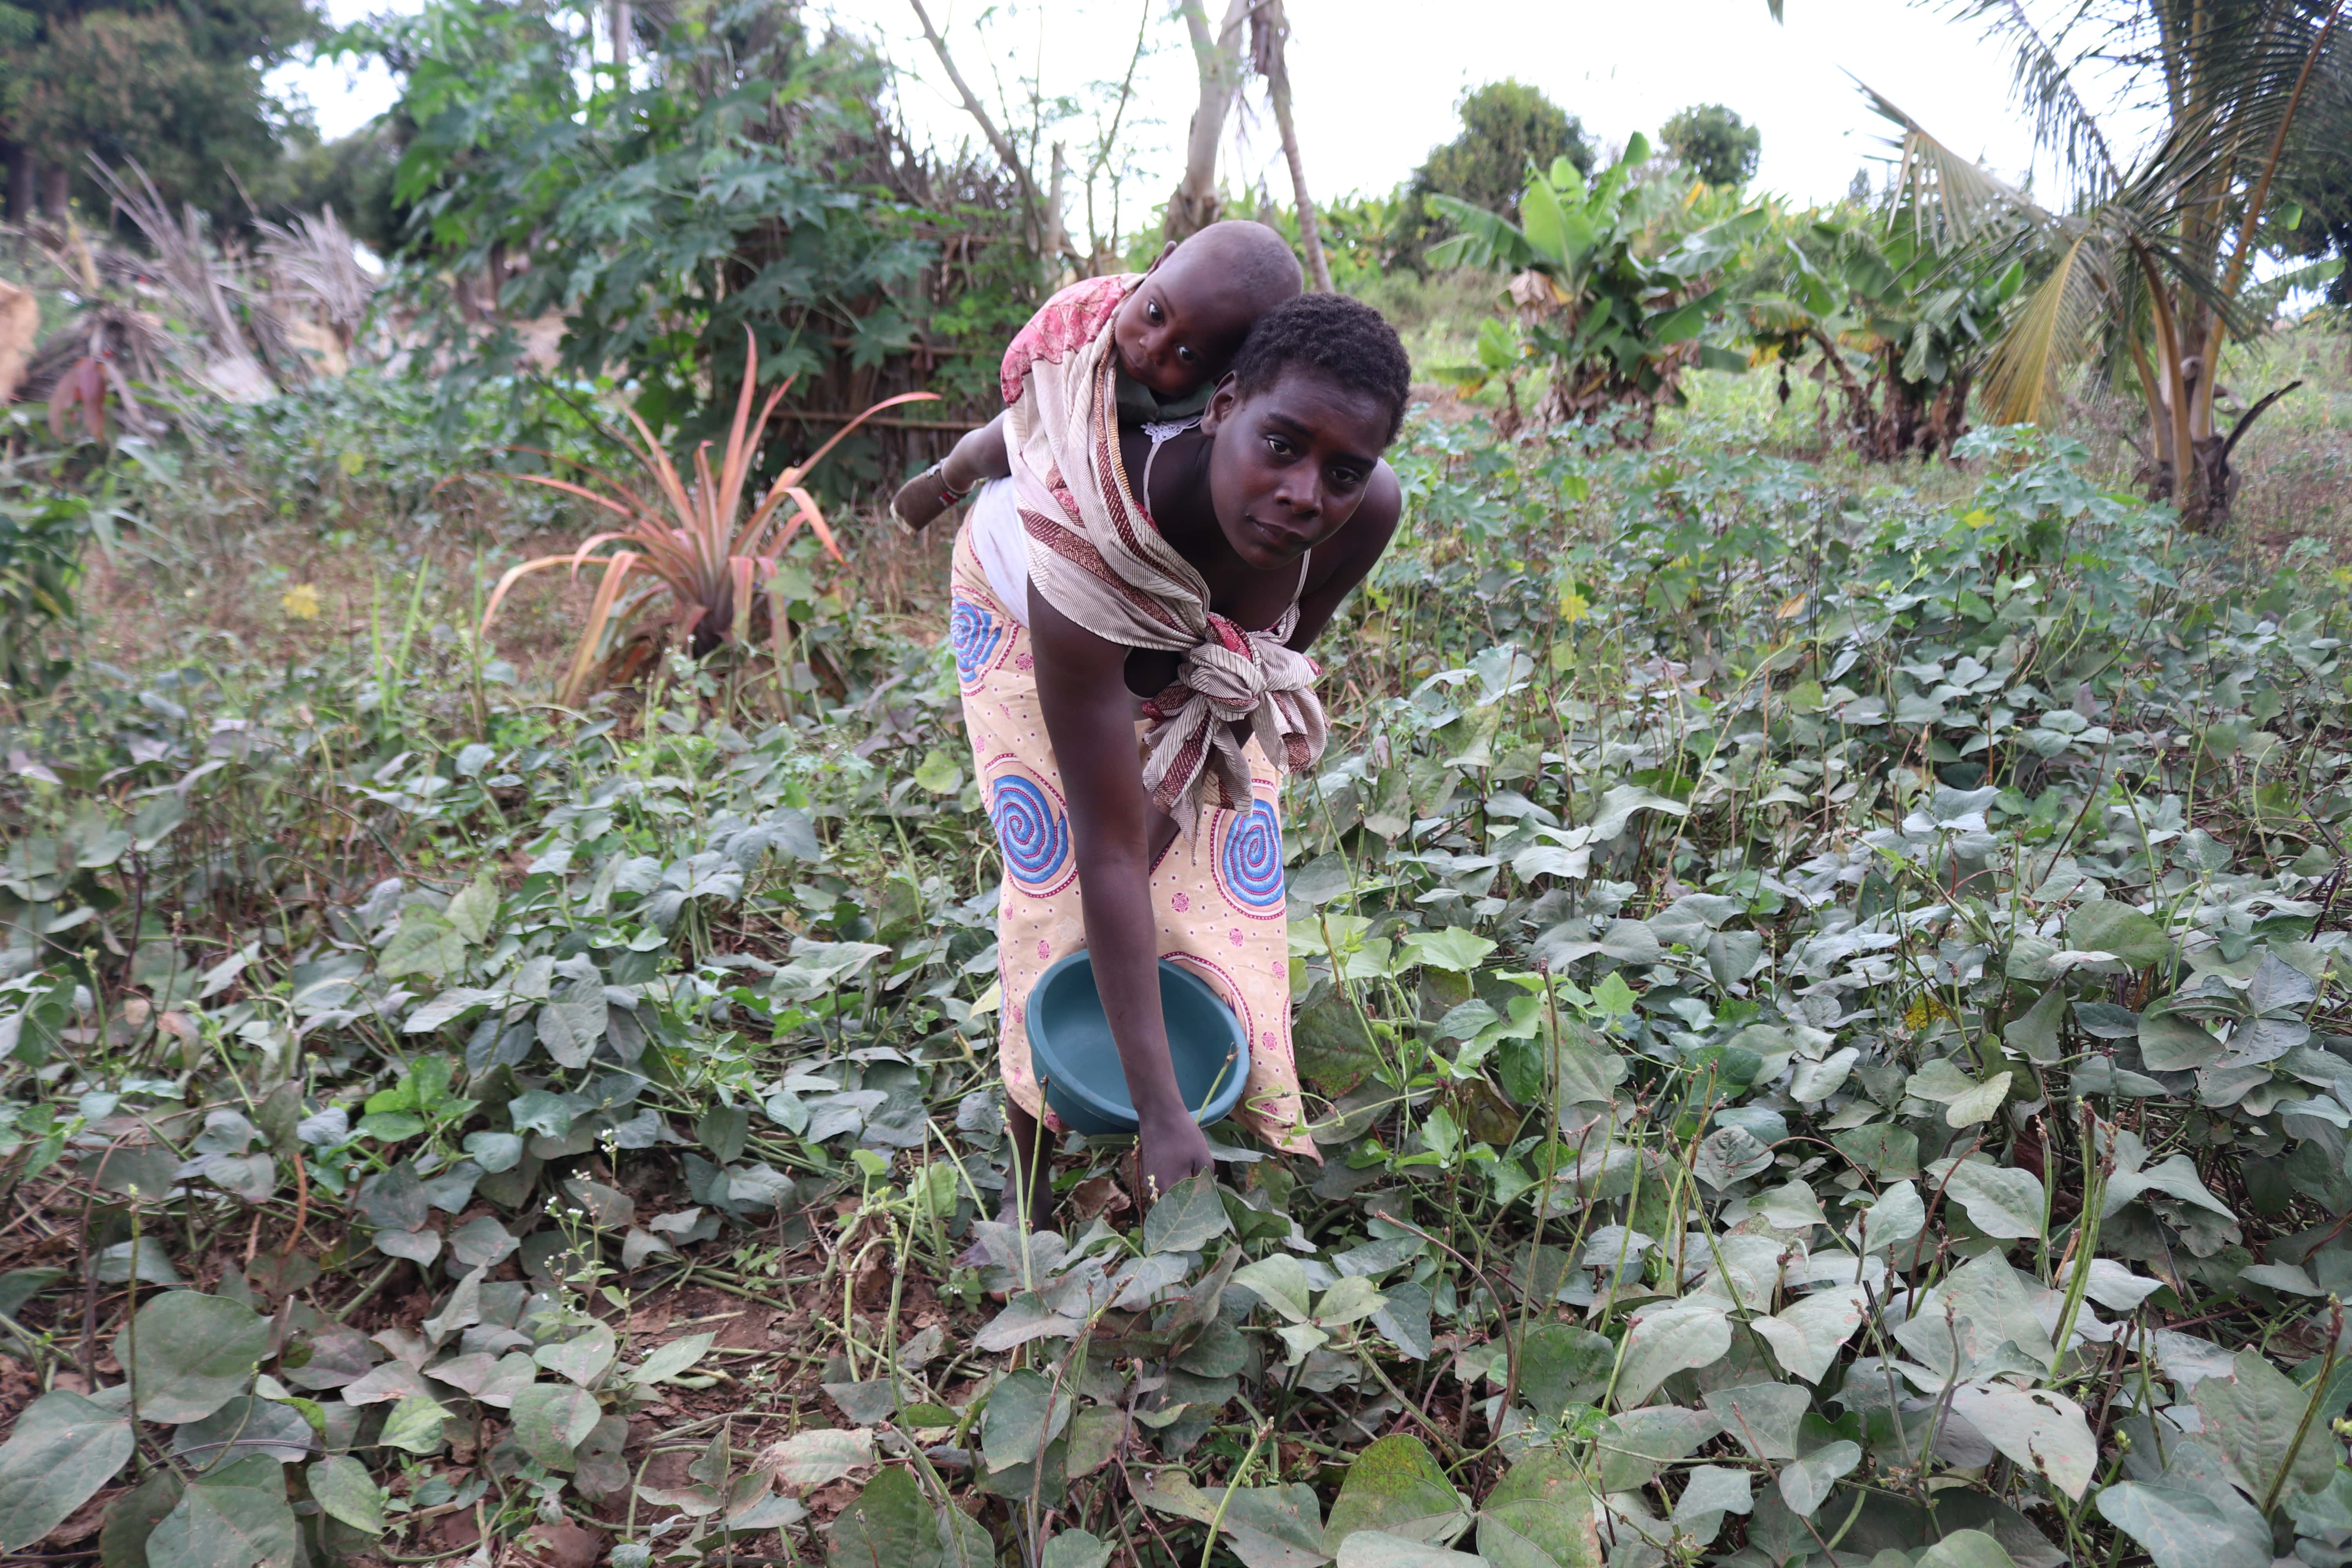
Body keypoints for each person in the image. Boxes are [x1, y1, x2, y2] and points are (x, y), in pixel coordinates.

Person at [947, 291, 1414, 1221]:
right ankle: (1028, 1199)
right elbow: (1107, 850)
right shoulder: (1084, 548)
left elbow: (1247, 673)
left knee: (1225, 883)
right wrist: (1158, 1112)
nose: (1304, 496)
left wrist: (1179, 787)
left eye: (1342, 470)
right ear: (1224, 404)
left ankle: (1217, 1119)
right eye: (1283, 445)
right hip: (1027, 609)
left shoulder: (1365, 514)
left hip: (1193, 645)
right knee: (1060, 895)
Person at [891, 221, 1305, 534]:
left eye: (1186, 354)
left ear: (1226, 371)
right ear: (1159, 265)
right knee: (992, 447)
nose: (1151, 347)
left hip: (1142, 436)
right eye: (1155, 314)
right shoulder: (1083, 319)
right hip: (1067, 407)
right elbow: (1033, 365)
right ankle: (949, 477)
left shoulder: (1229, 405)